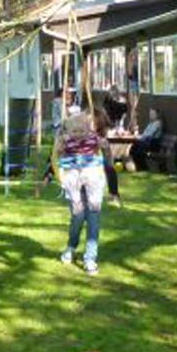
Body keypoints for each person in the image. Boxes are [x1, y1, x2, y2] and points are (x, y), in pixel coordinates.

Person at [52, 110, 110, 275]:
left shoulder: (93, 138)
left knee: (93, 219)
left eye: (82, 131)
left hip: (92, 179)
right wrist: (59, 147)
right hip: (74, 179)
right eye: (74, 132)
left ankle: (90, 258)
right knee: (77, 217)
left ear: (88, 128)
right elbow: (55, 157)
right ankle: (71, 246)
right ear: (69, 131)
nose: (78, 135)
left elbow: (107, 154)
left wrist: (105, 147)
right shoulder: (66, 140)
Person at [92, 108, 122, 207]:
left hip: (102, 146)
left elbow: (104, 136)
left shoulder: (102, 125)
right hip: (91, 147)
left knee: (109, 168)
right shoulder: (87, 122)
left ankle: (114, 195)